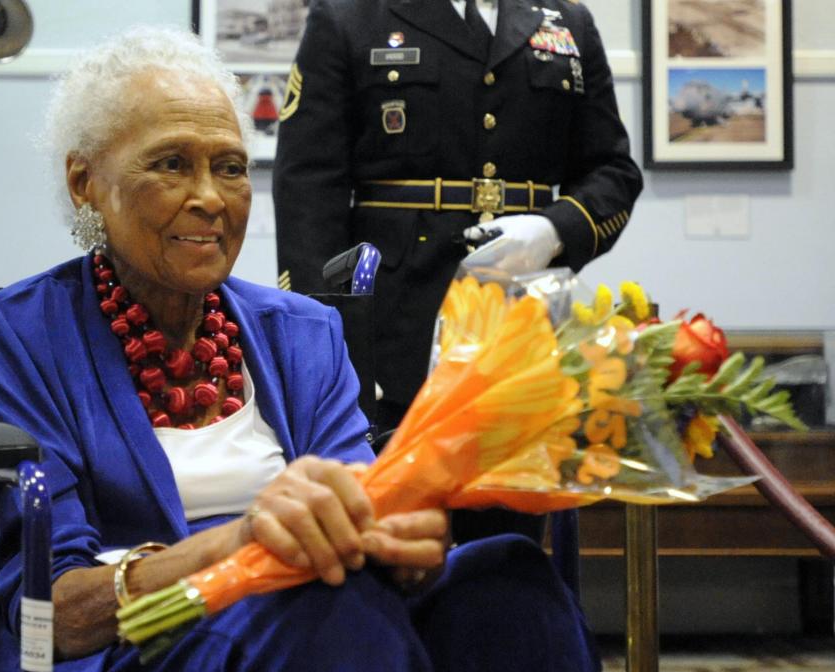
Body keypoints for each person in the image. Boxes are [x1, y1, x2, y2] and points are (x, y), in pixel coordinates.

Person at [0, 26, 599, 672]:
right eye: (172, 163)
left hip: (330, 617)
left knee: (511, 584)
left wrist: (401, 540)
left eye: (230, 167)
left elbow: (365, 514)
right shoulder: (17, 333)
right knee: (329, 612)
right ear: (84, 181)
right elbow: (55, 610)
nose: (210, 195)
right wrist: (237, 545)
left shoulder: (303, 331)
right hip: (143, 646)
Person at [273, 0, 643, 433]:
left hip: (528, 327)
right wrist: (326, 345)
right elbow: (308, 187)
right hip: (395, 334)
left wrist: (553, 229)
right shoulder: (349, 16)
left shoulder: (566, 21)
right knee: (396, 497)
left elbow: (612, 170)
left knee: (525, 496)